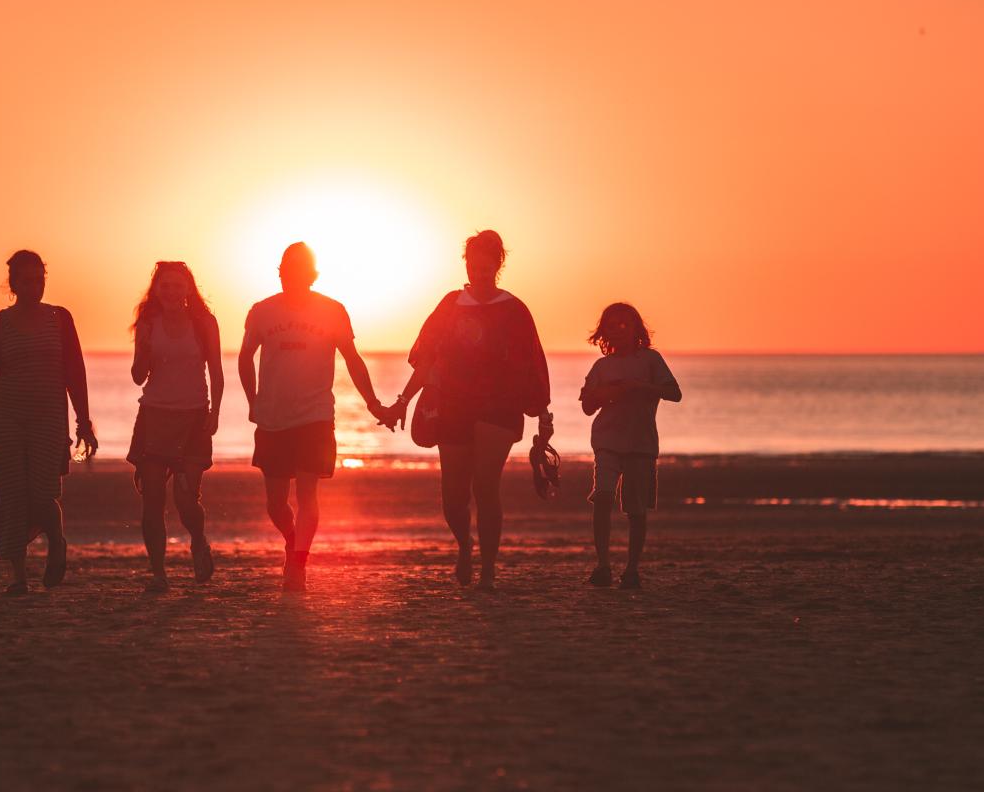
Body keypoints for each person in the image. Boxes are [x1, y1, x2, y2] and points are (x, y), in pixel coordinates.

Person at [383, 230, 552, 590]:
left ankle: (488, 568)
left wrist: (543, 414)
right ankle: (465, 546)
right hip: (453, 404)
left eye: (485, 262)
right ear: (466, 262)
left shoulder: (514, 310)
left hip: (500, 407)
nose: (478, 269)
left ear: (498, 263)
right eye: (472, 262)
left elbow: (532, 363)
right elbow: (426, 359)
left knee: (485, 486)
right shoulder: (451, 305)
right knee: (453, 496)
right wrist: (403, 400)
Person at [239, 242, 391, 592]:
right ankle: (293, 541)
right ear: (280, 273)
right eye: (285, 270)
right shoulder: (262, 311)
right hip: (273, 418)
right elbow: (245, 357)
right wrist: (253, 401)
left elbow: (352, 359)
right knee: (275, 504)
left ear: (312, 275)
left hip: (315, 416)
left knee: (308, 495)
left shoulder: (332, 310)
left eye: (298, 271)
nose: (291, 277)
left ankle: (298, 563)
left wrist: (372, 402)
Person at [0, 250, 97, 595]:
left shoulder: (60, 319)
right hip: (4, 418)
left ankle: (57, 542)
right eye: (27, 281)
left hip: (48, 419)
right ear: (13, 284)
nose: (34, 287)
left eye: (40, 279)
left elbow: (75, 372)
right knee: (10, 495)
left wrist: (84, 422)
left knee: (42, 493)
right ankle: (18, 576)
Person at [127, 261, 224, 591]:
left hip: (194, 414)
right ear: (156, 290)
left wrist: (215, 413)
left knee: (185, 497)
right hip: (154, 415)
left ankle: (198, 540)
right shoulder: (148, 323)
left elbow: (217, 371)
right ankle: (158, 574)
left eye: (177, 286)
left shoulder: (204, 323)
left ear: (187, 290)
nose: (171, 291)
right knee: (152, 498)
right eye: (165, 286)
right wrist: (142, 350)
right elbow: (138, 376)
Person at [579, 302, 681, 590]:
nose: (619, 330)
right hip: (607, 440)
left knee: (636, 510)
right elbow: (587, 405)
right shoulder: (602, 366)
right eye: (612, 326)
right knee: (602, 498)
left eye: (625, 324)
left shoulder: (650, 360)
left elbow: (674, 393)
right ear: (604, 333)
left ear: (637, 329)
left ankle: (632, 569)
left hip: (640, 443)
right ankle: (603, 565)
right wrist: (609, 393)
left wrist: (641, 387)